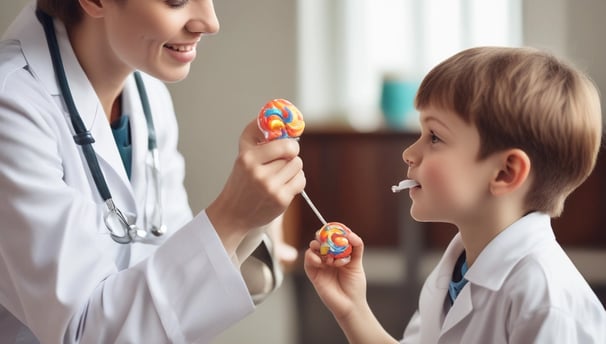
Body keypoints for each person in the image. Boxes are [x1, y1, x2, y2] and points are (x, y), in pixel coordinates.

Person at [0, 0, 305, 343]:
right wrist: (231, 216)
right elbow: (85, 333)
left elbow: (169, 281)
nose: (210, 22)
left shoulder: (148, 95)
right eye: (177, 1)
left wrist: (253, 224)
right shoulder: (12, 107)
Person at [304, 46, 606, 343]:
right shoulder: (457, 269)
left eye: (434, 137)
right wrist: (352, 309)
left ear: (505, 173)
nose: (409, 153)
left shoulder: (545, 303)